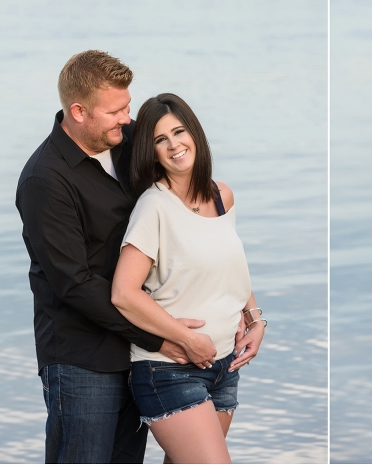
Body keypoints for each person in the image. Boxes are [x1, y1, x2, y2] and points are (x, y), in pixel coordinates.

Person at [16, 51, 203, 463]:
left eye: (128, 106)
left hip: (138, 355)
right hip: (82, 360)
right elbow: (75, 284)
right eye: (116, 110)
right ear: (78, 111)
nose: (126, 118)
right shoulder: (44, 180)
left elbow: (185, 204)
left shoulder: (129, 141)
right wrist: (162, 335)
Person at [111, 93, 265, 464]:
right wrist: (185, 339)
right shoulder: (154, 207)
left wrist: (255, 318)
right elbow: (123, 293)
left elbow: (227, 267)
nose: (174, 145)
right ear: (151, 152)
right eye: (160, 140)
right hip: (170, 371)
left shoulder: (221, 195)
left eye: (179, 132)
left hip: (224, 367)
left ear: (194, 133)